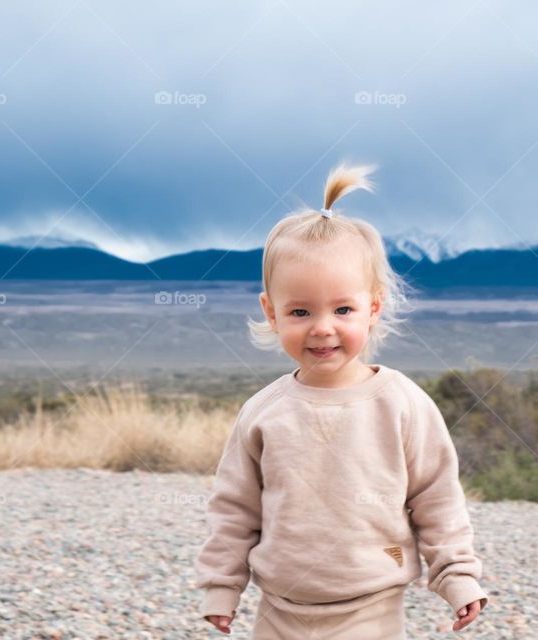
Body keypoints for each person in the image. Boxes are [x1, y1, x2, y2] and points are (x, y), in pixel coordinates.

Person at [195, 162, 488, 639]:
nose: (322, 327)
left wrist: (456, 576)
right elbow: (234, 508)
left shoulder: (401, 404)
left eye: (343, 309)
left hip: (371, 606)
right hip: (280, 608)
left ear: (373, 307)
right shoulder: (263, 412)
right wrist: (221, 587)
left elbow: (437, 498)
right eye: (300, 311)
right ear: (271, 312)